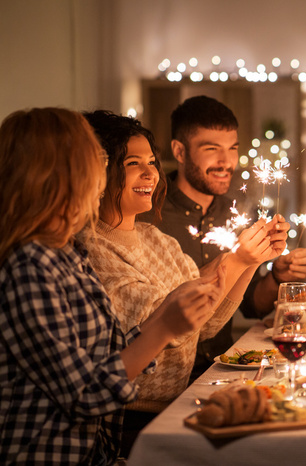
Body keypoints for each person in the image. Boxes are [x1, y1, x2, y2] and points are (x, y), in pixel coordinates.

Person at [0, 108, 223, 464]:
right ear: (55, 176)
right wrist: (165, 326)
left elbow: (111, 353)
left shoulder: (66, 253)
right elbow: (85, 393)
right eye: (97, 163)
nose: (102, 179)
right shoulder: (30, 266)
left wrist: (168, 317)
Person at [78, 110, 288, 452]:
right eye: (133, 163)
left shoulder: (157, 239)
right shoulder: (90, 249)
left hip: (179, 403)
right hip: (130, 422)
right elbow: (171, 327)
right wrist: (236, 259)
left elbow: (205, 323)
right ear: (98, 171)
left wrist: (251, 260)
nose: (151, 173)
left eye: (151, 162)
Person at [140, 96, 306, 367]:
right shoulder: (148, 215)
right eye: (211, 148)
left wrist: (277, 275)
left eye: (233, 148)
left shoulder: (238, 211)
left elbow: (253, 305)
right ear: (180, 151)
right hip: (161, 375)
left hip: (225, 366)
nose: (226, 161)